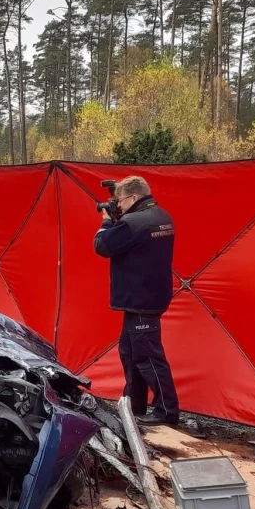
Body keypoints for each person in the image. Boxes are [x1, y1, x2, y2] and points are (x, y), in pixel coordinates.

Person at [93, 176, 180, 426]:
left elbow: (101, 245)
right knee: (130, 353)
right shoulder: (161, 217)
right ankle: (135, 405)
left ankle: (167, 412)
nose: (118, 206)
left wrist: (107, 221)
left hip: (141, 298)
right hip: (148, 295)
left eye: (120, 201)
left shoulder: (134, 223)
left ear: (133, 198)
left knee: (148, 356)